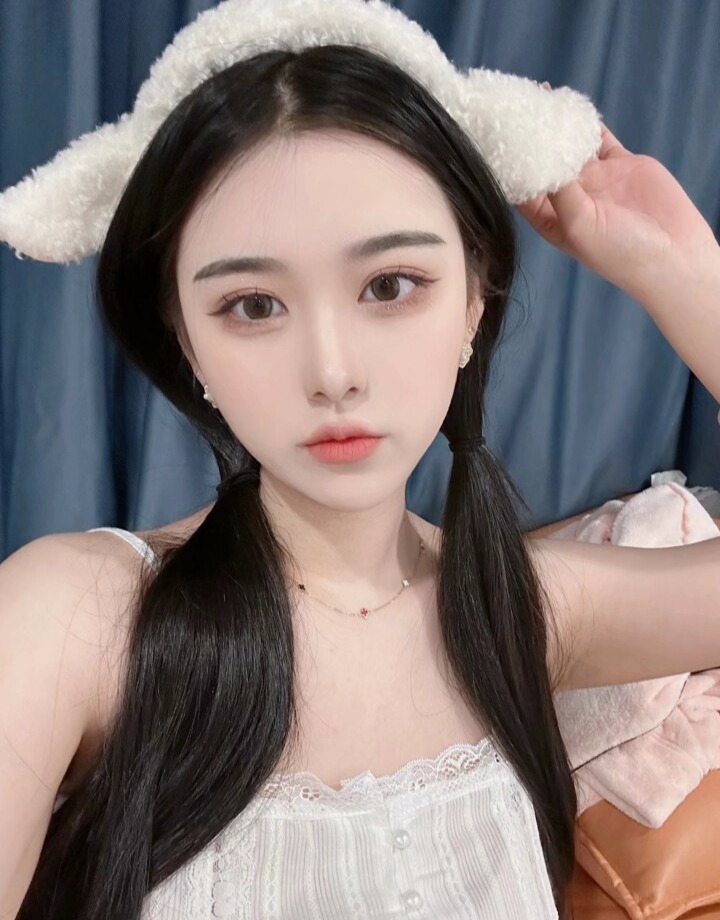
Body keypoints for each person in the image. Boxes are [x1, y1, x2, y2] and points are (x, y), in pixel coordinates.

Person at [0, 1, 718, 919]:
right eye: (254, 306)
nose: (332, 373)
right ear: (186, 342)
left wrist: (682, 271)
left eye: (390, 285)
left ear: (473, 303)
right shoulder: (76, 617)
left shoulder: (513, 609)